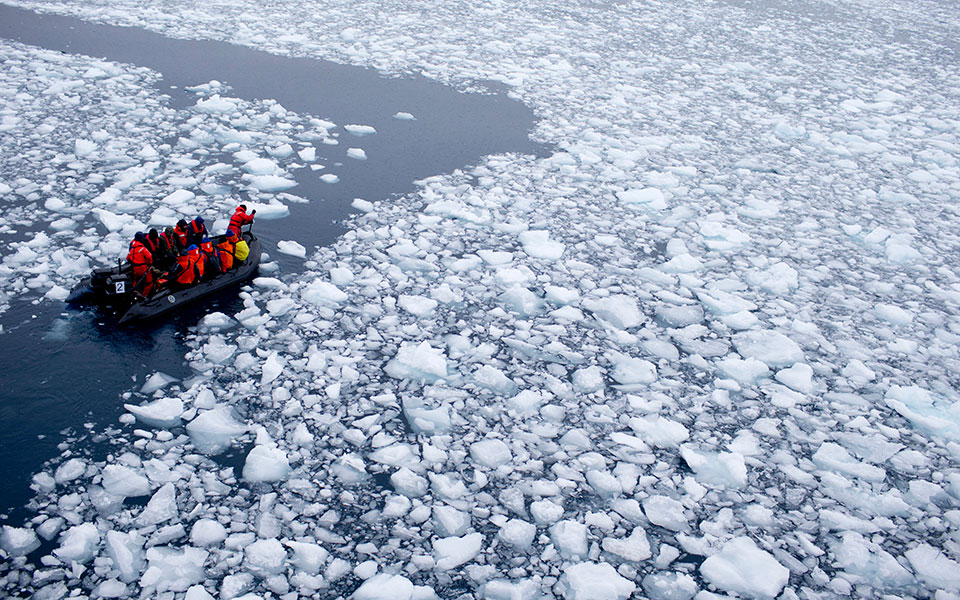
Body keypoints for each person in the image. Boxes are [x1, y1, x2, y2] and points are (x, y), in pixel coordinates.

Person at [126, 231, 155, 297]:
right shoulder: (143, 249)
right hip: (143, 268)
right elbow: (149, 257)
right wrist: (150, 264)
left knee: (135, 281)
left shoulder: (132, 249)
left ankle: (133, 293)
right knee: (149, 283)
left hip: (135, 268)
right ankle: (144, 295)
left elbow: (128, 258)